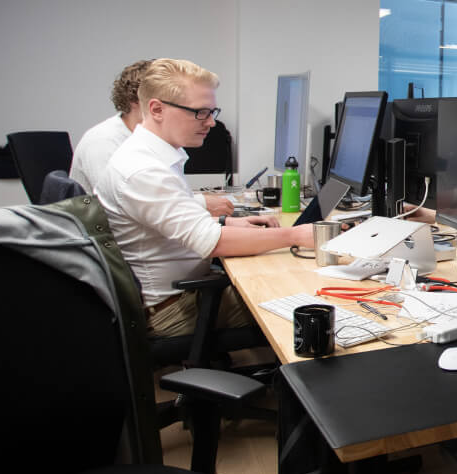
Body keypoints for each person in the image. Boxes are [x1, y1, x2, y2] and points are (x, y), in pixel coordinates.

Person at [96, 58, 316, 337]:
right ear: (157, 109)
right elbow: (214, 242)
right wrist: (295, 235)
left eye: (212, 112)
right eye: (200, 112)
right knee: (304, 297)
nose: (211, 122)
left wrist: (228, 222)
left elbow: (176, 218)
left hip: (181, 293)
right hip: (171, 311)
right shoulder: (143, 170)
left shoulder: (153, 155)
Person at [71, 58, 234, 217]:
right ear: (138, 100)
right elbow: (129, 203)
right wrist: (201, 203)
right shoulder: (102, 141)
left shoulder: (156, 141)